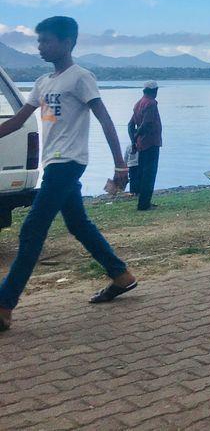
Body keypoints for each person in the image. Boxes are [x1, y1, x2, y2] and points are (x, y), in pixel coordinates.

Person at [0, 17, 138, 332]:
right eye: (39, 41)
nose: (40, 46)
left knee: (32, 230)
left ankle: (4, 304)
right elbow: (19, 121)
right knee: (78, 224)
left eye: (46, 41)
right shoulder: (42, 82)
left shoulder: (81, 78)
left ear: (67, 43)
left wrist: (120, 164)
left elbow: (104, 119)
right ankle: (121, 275)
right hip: (53, 163)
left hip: (69, 162)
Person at [127, 80, 163, 211]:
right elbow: (146, 124)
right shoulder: (151, 103)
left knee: (143, 173)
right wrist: (136, 137)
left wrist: (133, 141)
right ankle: (144, 204)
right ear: (154, 91)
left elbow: (130, 125)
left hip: (141, 145)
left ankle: (143, 202)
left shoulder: (138, 104)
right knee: (149, 174)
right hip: (151, 143)